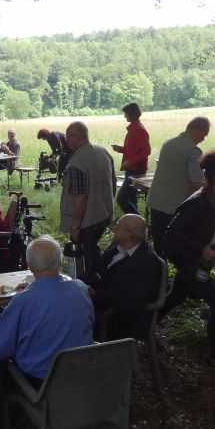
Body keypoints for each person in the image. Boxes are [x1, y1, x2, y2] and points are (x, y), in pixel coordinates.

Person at [0, 236, 94, 429]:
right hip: (82, 371)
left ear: (30, 266)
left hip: (41, 383)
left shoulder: (23, 301)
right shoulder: (81, 289)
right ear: (59, 260)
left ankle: (1, 417)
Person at [159, 152, 215, 374]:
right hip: (191, 265)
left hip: (199, 265)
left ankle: (141, 328)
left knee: (175, 298)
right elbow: (170, 238)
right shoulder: (196, 204)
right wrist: (200, 249)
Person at [89, 214, 161, 340]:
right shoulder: (118, 247)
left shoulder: (147, 262)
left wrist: (94, 294)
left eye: (118, 226)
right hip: (100, 299)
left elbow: (129, 299)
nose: (114, 229)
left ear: (130, 235)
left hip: (119, 317)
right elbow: (96, 268)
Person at [60, 121, 116, 279]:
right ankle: (103, 278)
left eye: (68, 136)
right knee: (92, 250)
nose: (66, 140)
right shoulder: (102, 152)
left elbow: (80, 198)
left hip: (87, 221)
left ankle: (93, 287)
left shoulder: (77, 163)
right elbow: (112, 184)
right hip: (104, 214)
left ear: (75, 137)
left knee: (87, 258)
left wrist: (75, 227)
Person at [146, 117, 210, 255]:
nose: (204, 139)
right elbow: (196, 182)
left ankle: (159, 272)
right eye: (204, 134)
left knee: (159, 243)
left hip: (157, 201)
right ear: (196, 130)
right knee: (176, 243)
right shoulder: (193, 151)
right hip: (174, 205)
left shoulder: (168, 143)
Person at [112, 102, 151, 215]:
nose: (125, 116)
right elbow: (134, 150)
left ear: (132, 114)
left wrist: (130, 162)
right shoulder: (133, 129)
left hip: (136, 170)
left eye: (126, 114)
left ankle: (138, 221)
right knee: (131, 198)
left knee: (122, 199)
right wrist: (121, 149)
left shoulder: (139, 130)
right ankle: (136, 226)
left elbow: (146, 151)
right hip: (132, 169)